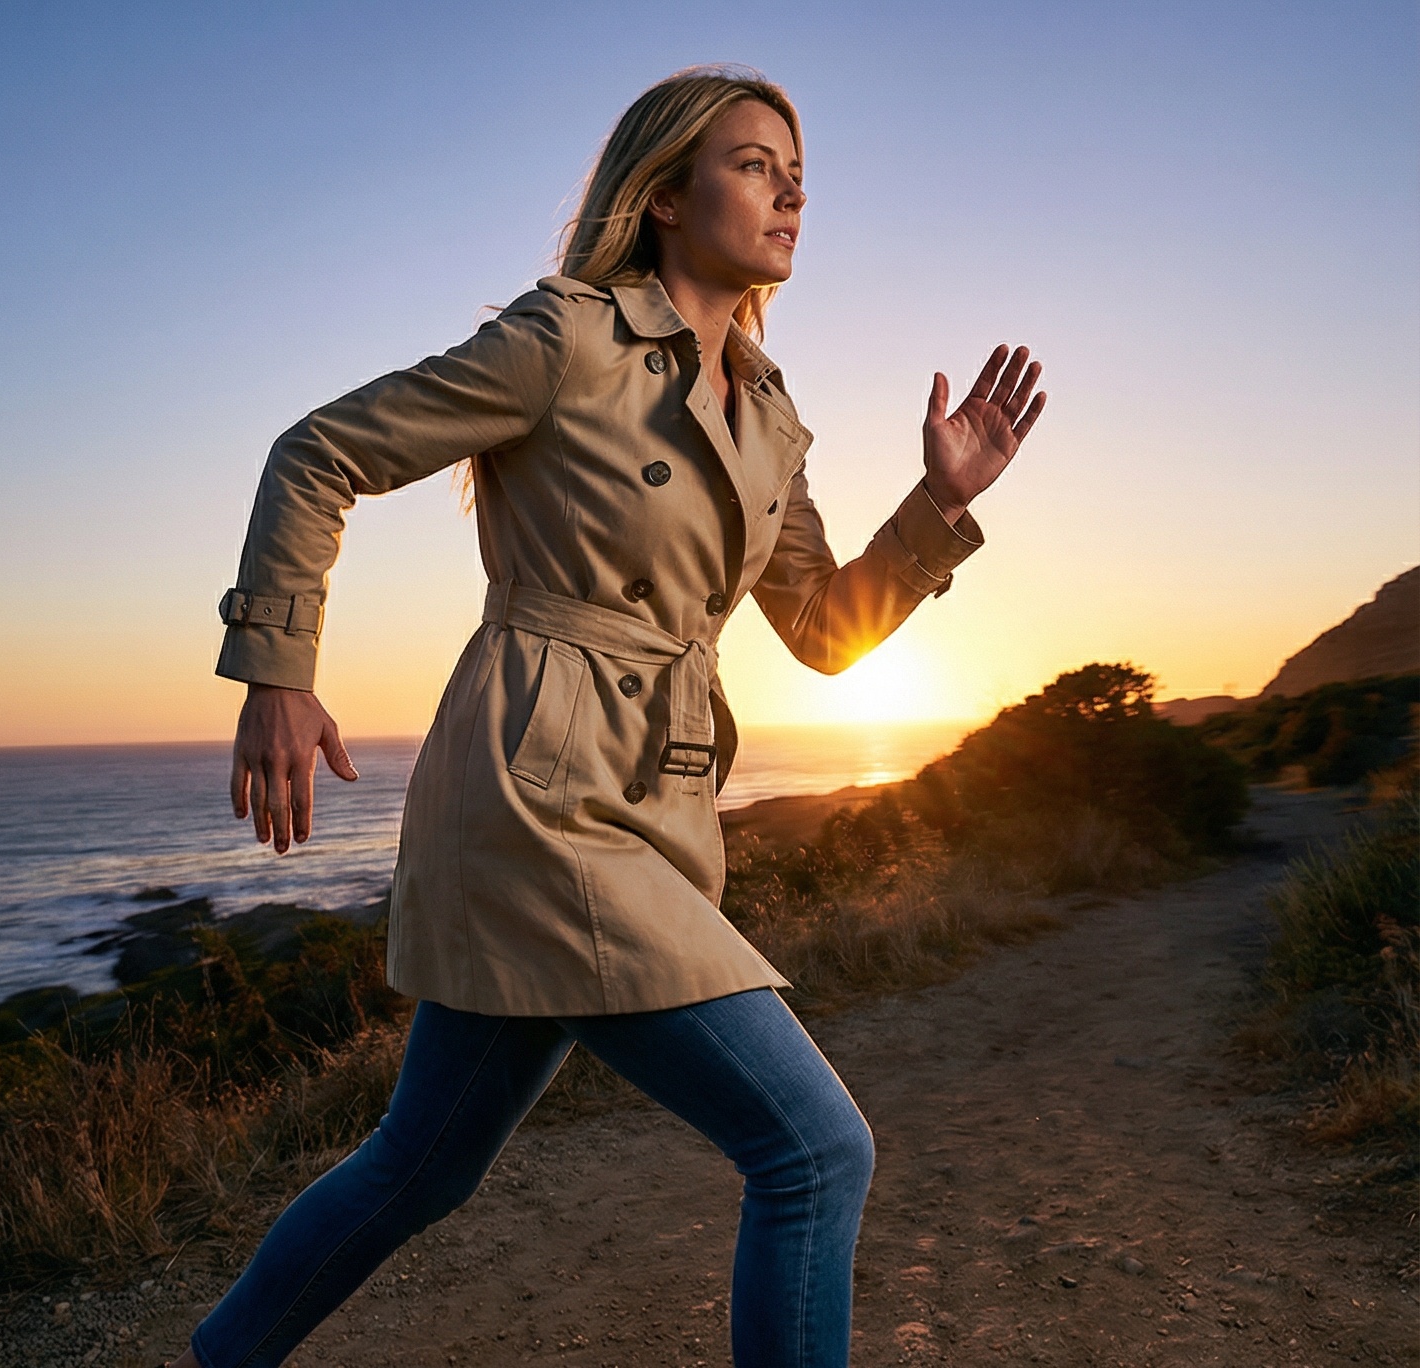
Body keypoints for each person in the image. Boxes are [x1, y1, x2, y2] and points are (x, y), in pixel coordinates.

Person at [171, 65, 1044, 1368]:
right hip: (542, 795)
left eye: (799, 171)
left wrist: (937, 506)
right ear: (666, 192)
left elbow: (823, 630)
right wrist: (279, 674)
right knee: (812, 1151)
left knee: (421, 1168)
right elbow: (321, 452)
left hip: (661, 804)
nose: (792, 189)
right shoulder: (568, 336)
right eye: (755, 163)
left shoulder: (772, 415)